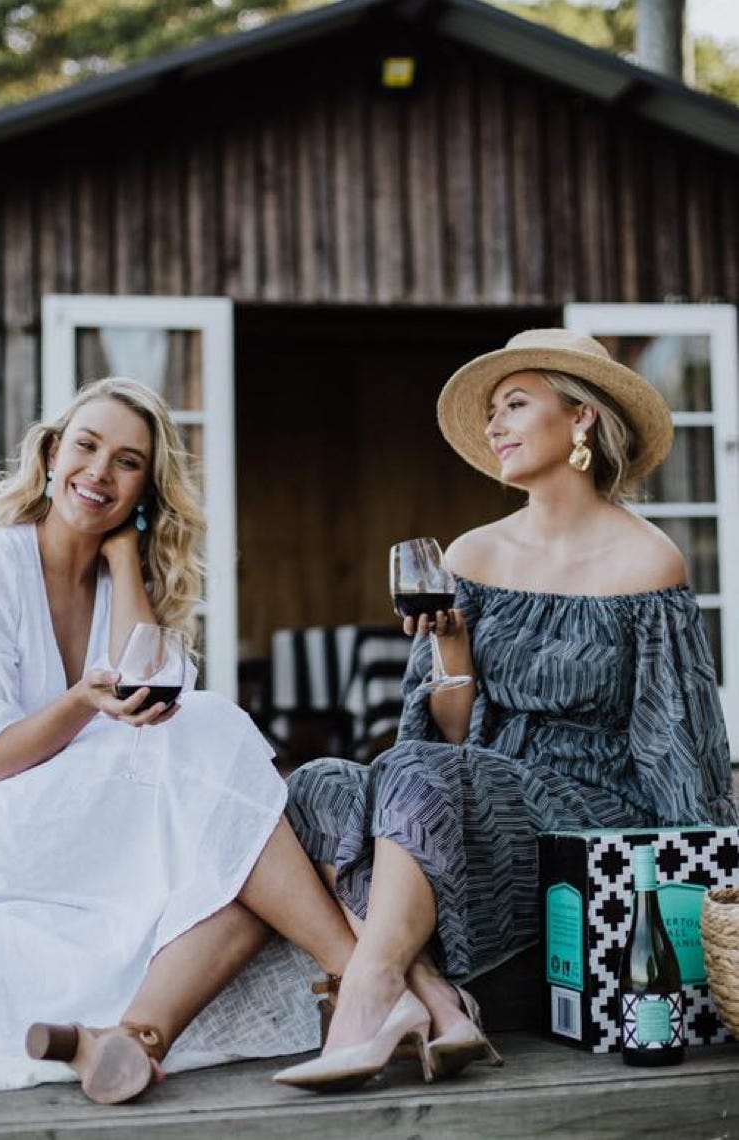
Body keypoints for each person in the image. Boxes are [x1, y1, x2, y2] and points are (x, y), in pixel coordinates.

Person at [0, 377, 357, 1104]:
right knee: (221, 778)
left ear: (146, 490)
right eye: (87, 446)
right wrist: (78, 703)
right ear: (53, 452)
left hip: (76, 810)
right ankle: (370, 974)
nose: (99, 472)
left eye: (127, 462)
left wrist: (125, 560)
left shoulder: (118, 578)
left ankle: (134, 1040)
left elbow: (156, 699)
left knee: (227, 856)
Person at [276, 328, 738, 1092]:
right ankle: (439, 1004)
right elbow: (443, 738)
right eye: (490, 411)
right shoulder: (470, 557)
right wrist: (453, 651)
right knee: (316, 785)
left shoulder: (646, 562)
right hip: (479, 800)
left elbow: (676, 743)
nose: (494, 426)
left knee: (418, 773)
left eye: (514, 404)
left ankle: (368, 996)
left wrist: (699, 892)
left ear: (581, 416)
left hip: (588, 821)